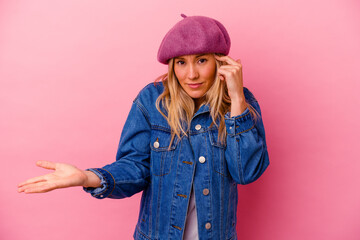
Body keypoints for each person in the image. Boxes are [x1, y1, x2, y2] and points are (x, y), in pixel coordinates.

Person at [18, 14, 269, 240]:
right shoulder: (151, 102)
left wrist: (236, 98)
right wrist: (88, 177)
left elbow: (246, 173)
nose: (191, 74)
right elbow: (135, 167)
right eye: (181, 62)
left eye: (201, 60)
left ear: (220, 62)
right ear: (172, 66)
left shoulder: (240, 104)